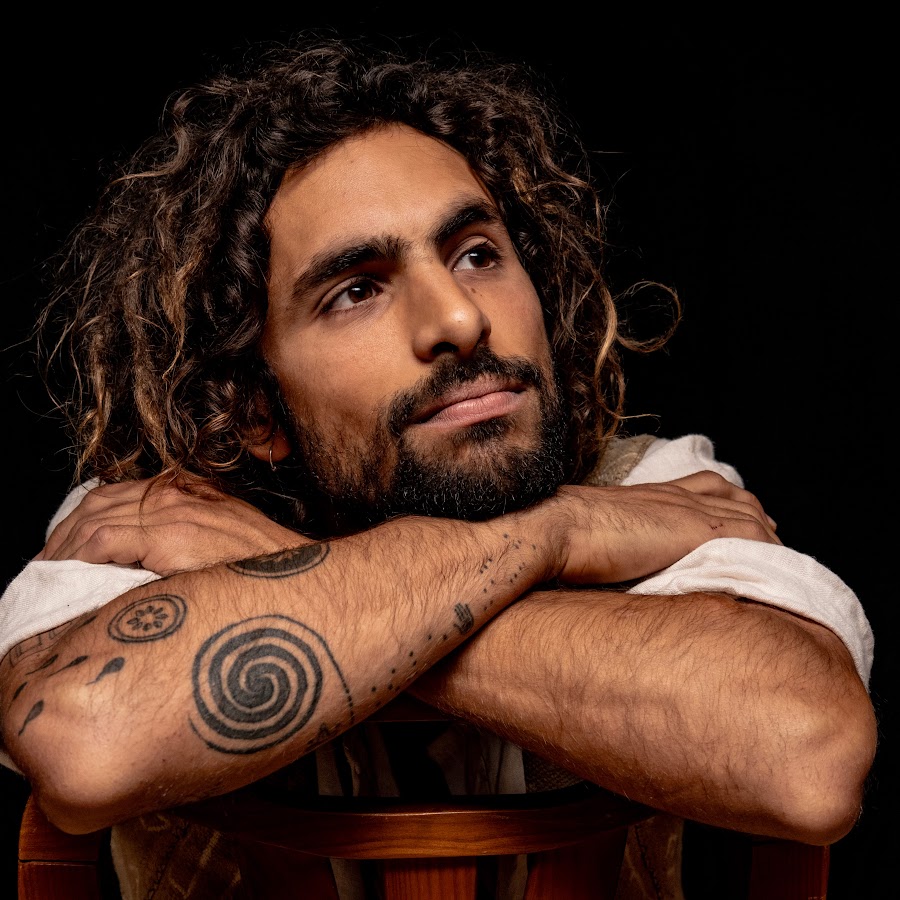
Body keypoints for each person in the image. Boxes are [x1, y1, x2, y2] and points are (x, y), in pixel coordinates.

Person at [0, 34, 876, 899]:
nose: (459, 318)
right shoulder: (150, 521)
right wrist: (560, 533)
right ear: (254, 410)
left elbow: (807, 759)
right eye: (357, 289)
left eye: (477, 254)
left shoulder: (654, 488)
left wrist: (283, 569)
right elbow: (89, 745)